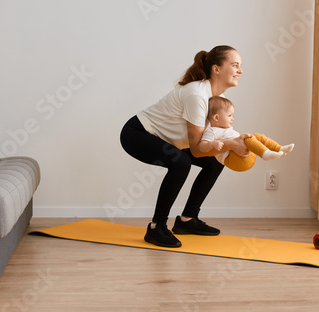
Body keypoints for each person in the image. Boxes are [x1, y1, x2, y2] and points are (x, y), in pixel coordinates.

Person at [120, 45, 249, 248]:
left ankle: (188, 220)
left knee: (215, 162)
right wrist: (230, 144)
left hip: (166, 140)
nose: (240, 71)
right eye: (235, 65)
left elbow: (218, 136)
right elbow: (197, 149)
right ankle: (156, 227)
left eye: (240, 66)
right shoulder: (197, 94)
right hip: (138, 134)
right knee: (181, 162)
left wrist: (243, 142)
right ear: (216, 69)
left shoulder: (219, 100)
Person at [198, 96, 294, 172]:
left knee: (256, 136)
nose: (232, 118)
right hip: (236, 161)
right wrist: (212, 144)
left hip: (246, 157)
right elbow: (202, 147)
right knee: (246, 136)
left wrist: (257, 141)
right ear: (216, 118)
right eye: (229, 115)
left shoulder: (226, 129)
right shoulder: (212, 131)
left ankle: (279, 149)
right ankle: (266, 154)